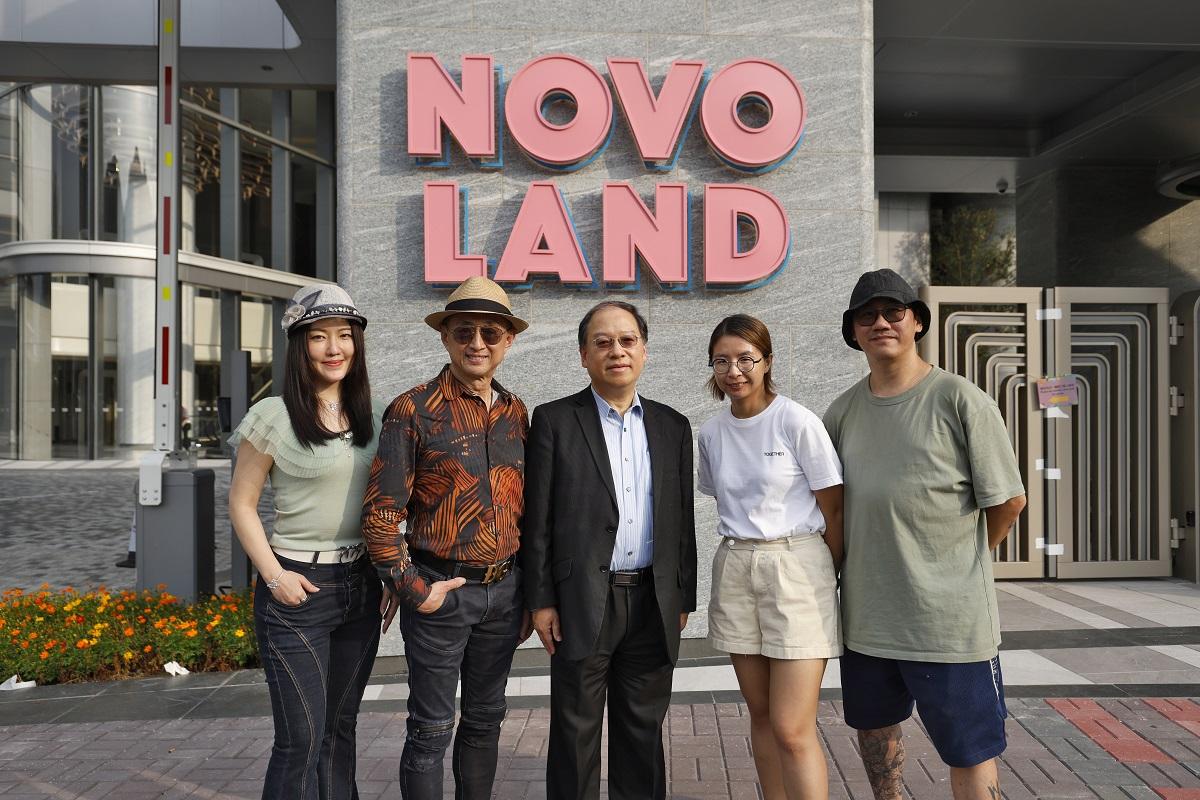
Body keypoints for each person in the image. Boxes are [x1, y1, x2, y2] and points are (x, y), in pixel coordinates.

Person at [822, 269, 1027, 800]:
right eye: (867, 316)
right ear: (853, 332)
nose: (881, 323)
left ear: (916, 321)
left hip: (948, 625)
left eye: (893, 312)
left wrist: (960, 563)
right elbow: (831, 511)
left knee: (970, 748)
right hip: (867, 621)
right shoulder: (841, 413)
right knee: (875, 732)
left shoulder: (960, 400)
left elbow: (1008, 502)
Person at [361, 276, 531, 800]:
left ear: (508, 341)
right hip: (442, 593)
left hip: (504, 594)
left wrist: (529, 591)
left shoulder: (516, 412)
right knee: (431, 728)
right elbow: (380, 514)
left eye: (490, 332)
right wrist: (415, 590)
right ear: (445, 338)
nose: (477, 343)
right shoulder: (412, 409)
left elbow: (527, 510)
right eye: (464, 332)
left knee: (485, 720)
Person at [523, 300, 697, 800]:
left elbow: (681, 519)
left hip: (652, 600)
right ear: (584, 355)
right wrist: (541, 599)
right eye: (602, 342)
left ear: (644, 351)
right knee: (575, 732)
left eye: (627, 341)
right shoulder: (555, 420)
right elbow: (538, 519)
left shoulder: (673, 425)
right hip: (581, 599)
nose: (616, 351)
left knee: (642, 732)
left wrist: (683, 596)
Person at [228, 283, 393, 800]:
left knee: (340, 730)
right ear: (300, 345)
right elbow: (241, 504)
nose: (334, 348)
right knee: (300, 738)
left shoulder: (377, 415)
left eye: (344, 335)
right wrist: (274, 576)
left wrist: (391, 571)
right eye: (319, 336)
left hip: (361, 586)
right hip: (297, 588)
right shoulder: (272, 417)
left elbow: (391, 505)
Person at [697, 313, 843, 800]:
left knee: (791, 728)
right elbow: (724, 498)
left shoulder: (797, 421)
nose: (733, 371)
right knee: (760, 714)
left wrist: (823, 572)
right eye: (722, 361)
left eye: (746, 359)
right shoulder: (711, 433)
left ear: (767, 361)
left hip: (796, 566)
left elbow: (834, 509)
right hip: (736, 565)